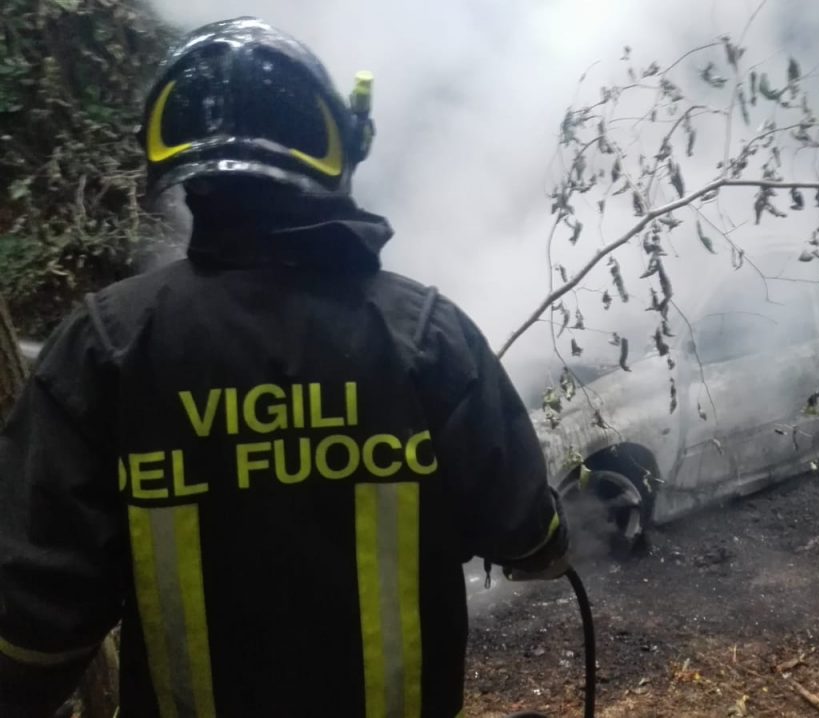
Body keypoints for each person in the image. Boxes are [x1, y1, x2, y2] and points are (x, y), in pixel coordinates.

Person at [0, 17, 567, 718]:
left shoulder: (106, 346)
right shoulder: (424, 336)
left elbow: (33, 620)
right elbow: (531, 541)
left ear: (178, 169)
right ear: (338, 150)